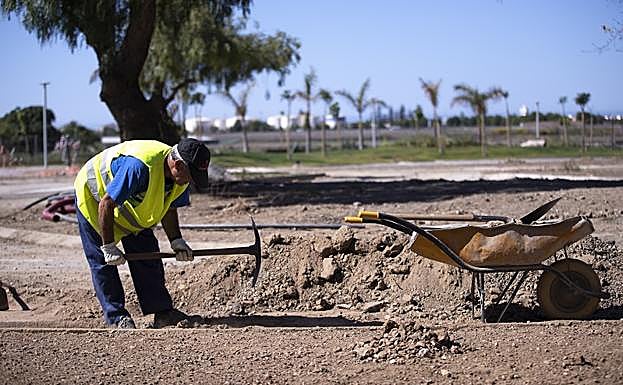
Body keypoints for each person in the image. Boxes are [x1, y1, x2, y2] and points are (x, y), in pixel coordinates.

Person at [74, 138, 210, 328]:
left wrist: (176, 240)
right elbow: (106, 204)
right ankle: (117, 318)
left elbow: (169, 206)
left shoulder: (179, 177)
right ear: (178, 165)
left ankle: (163, 312)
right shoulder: (140, 167)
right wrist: (108, 246)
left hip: (128, 211)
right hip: (94, 201)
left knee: (148, 255)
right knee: (103, 263)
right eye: (191, 175)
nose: (191, 181)